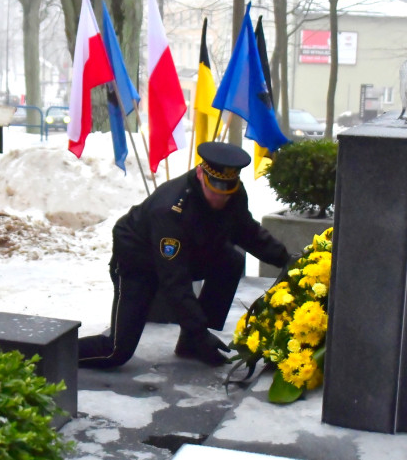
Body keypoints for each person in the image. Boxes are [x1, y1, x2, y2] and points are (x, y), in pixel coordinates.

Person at [78, 142, 291, 369]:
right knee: (116, 351)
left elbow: (247, 231)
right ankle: (54, 351)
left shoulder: (233, 193)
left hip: (186, 253)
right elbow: (175, 281)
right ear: (200, 174)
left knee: (231, 262)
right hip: (138, 262)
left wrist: (287, 260)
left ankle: (190, 344)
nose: (220, 199)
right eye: (214, 191)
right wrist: (199, 332)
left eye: (226, 193)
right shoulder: (171, 208)